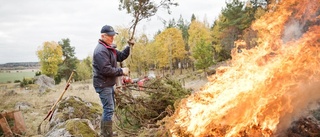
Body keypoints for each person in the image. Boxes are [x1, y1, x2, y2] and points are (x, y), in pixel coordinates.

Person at [92, 24, 134, 137]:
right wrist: (121, 71)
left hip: (108, 83)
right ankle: (106, 135)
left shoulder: (109, 48)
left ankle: (106, 133)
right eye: (110, 36)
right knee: (108, 109)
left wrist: (129, 46)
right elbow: (106, 70)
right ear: (103, 36)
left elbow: (121, 56)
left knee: (109, 109)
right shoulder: (100, 51)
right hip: (103, 84)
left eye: (113, 36)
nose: (112, 38)